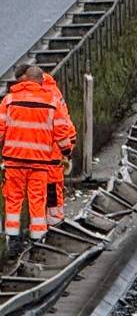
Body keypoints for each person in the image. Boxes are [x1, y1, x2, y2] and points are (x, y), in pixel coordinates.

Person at [0, 65, 63, 248]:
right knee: (37, 198)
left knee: (13, 199)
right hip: (40, 162)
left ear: (24, 79)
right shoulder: (51, 101)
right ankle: (37, 237)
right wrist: (66, 150)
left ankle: (11, 238)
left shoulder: (9, 100)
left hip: (14, 161)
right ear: (40, 80)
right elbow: (61, 129)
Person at [41, 72, 74, 223]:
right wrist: (68, 149)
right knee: (54, 190)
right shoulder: (53, 92)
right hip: (55, 151)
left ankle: (52, 224)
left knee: (50, 190)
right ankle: (54, 222)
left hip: (49, 153)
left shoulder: (46, 95)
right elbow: (65, 125)